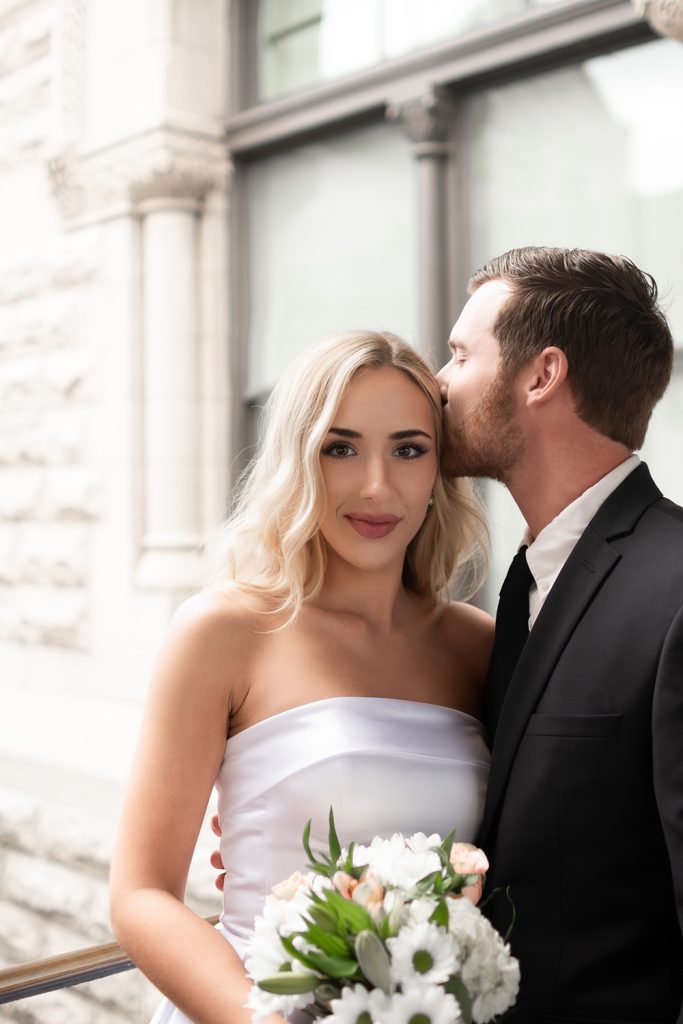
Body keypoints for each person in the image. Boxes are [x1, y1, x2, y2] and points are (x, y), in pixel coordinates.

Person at [109, 330, 493, 1024]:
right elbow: (141, 895)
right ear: (298, 459)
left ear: (439, 472)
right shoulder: (223, 632)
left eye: (408, 450)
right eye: (339, 448)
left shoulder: (476, 646)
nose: (376, 485)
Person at [435, 246, 683, 1023]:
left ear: (541, 375)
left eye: (460, 355)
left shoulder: (675, 588)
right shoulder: (522, 585)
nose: (438, 382)